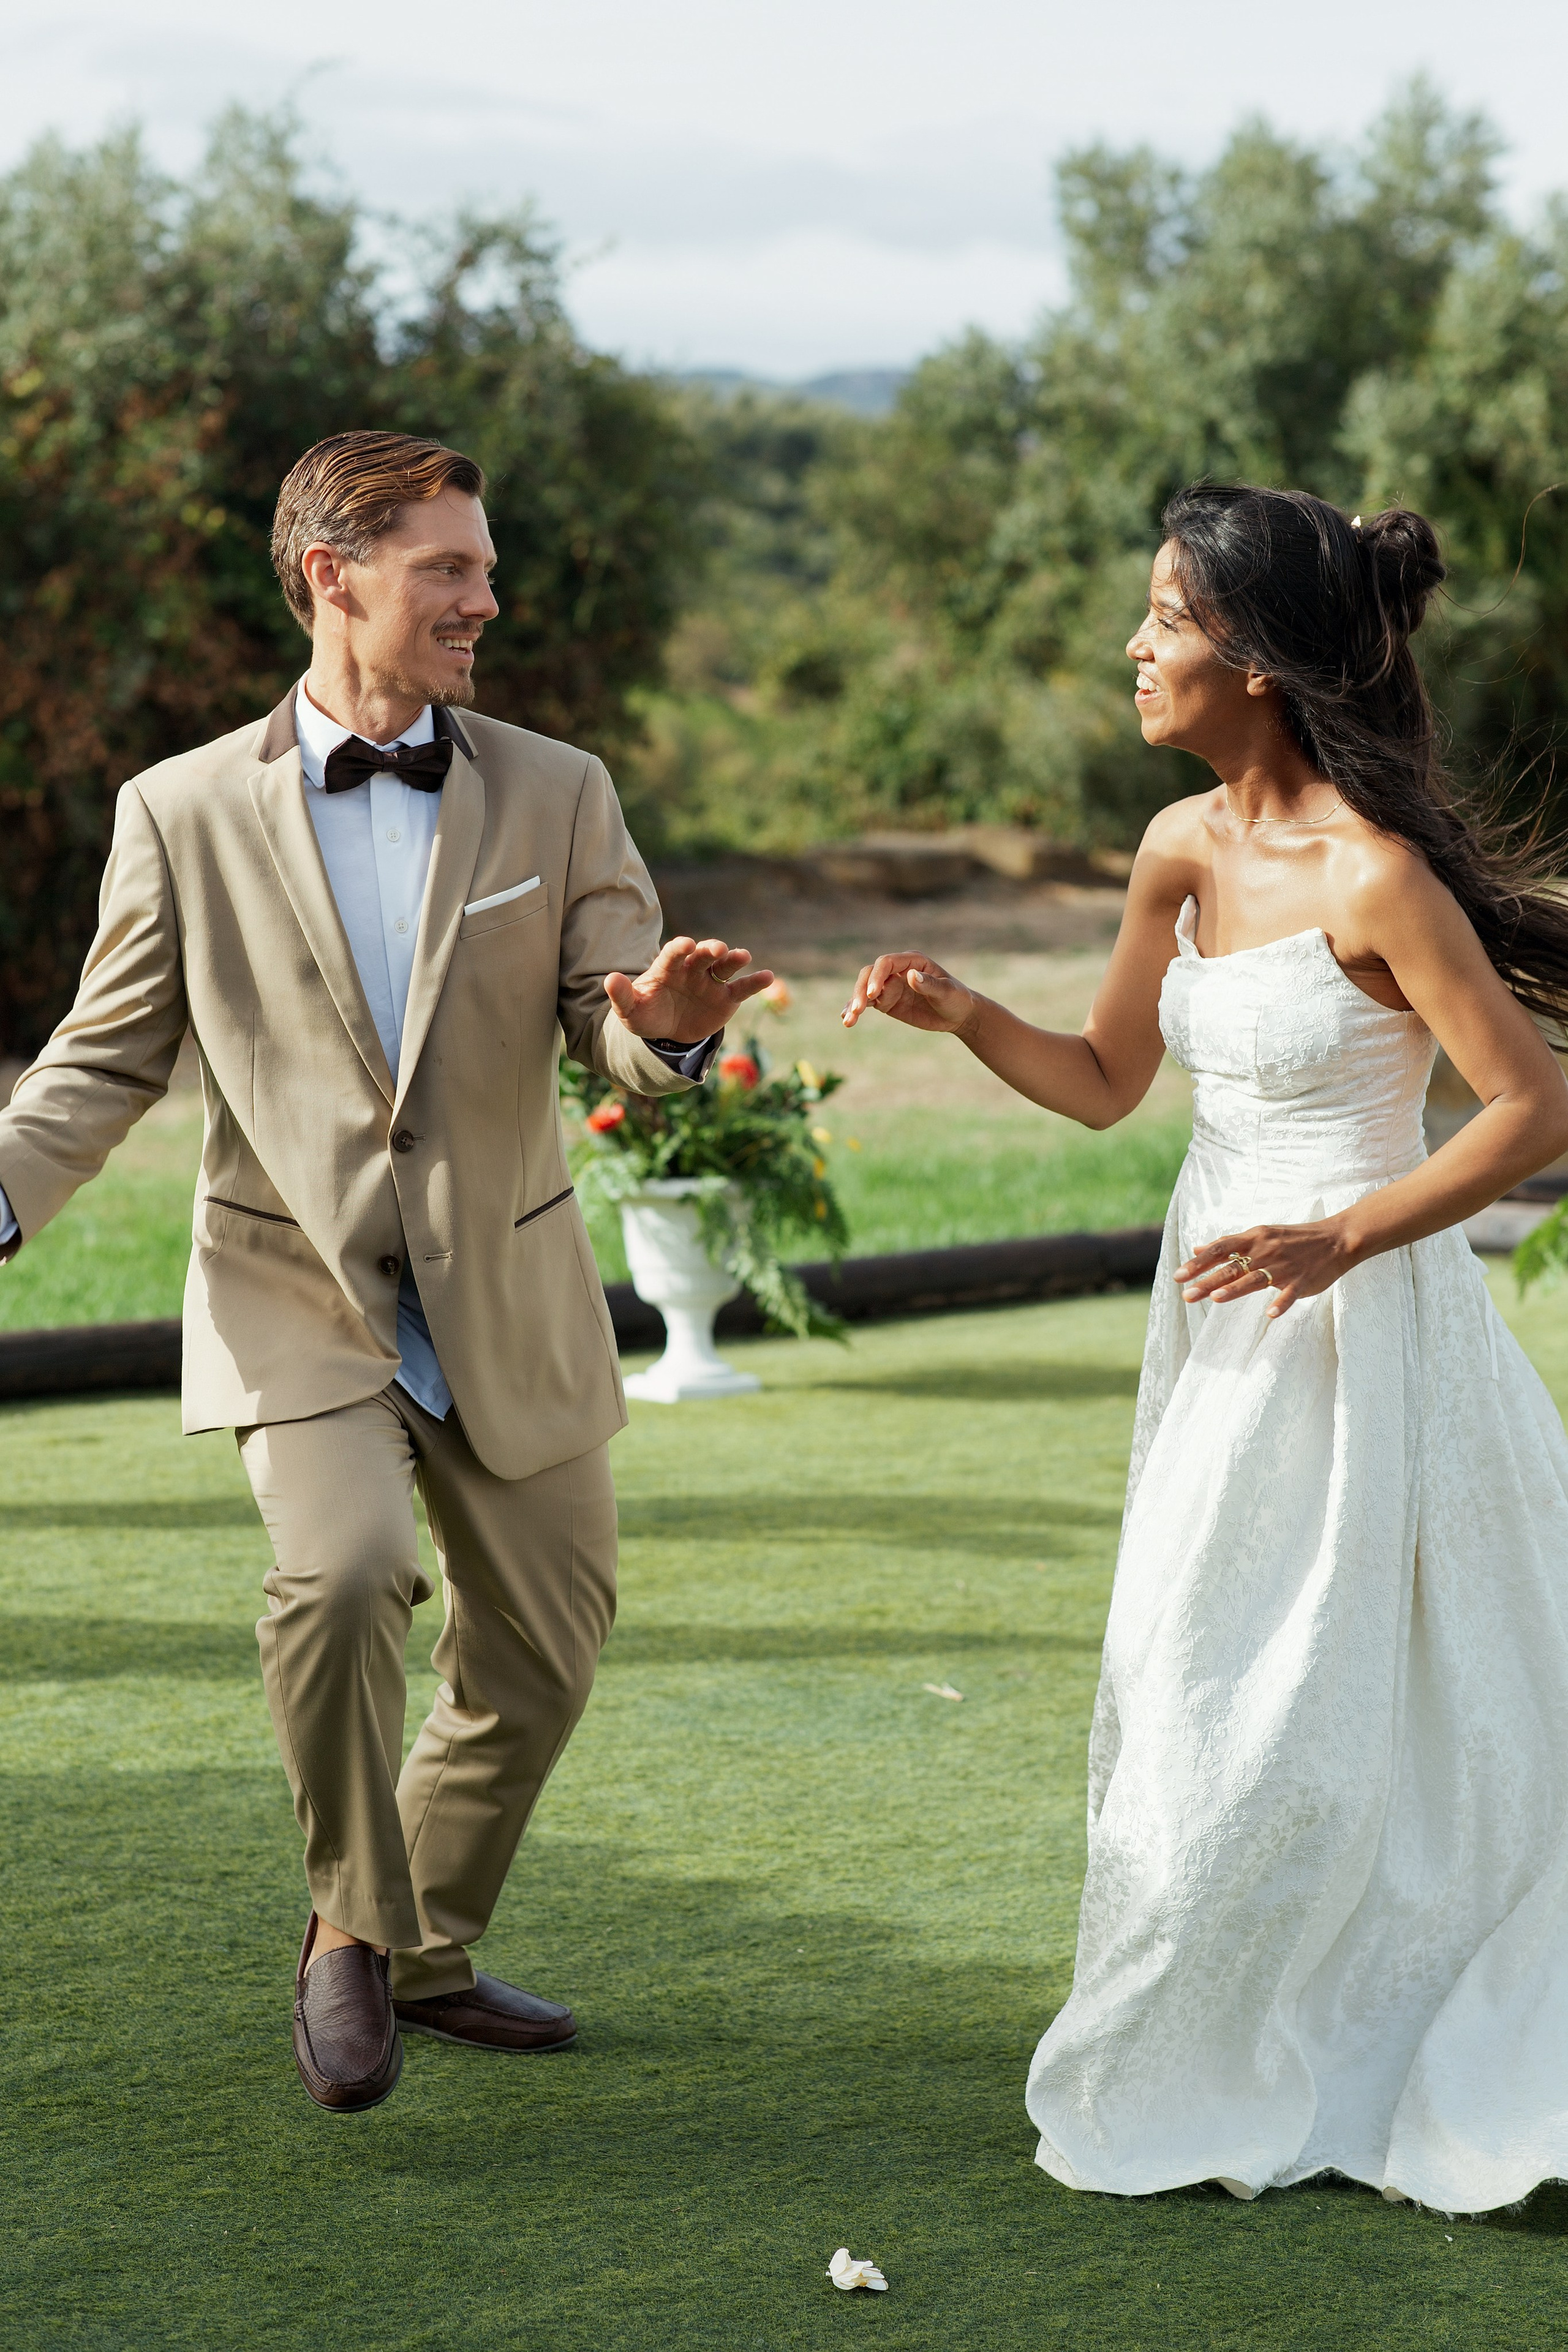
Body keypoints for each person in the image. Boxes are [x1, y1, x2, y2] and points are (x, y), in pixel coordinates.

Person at [0, 431, 771, 2113]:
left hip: (506, 1282)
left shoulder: (560, 789)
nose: (486, 600)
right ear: (330, 574)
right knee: (342, 1578)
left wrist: (668, 1035)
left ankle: (422, 1947)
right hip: (295, 1291)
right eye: (451, 568)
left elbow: (614, 1018)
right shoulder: (181, 811)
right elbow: (99, 1063)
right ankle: (351, 1930)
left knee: (547, 1647)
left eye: (485, 569)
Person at [842, 483, 1568, 2214]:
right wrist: (962, 1018)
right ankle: (1226, 2016)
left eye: (1164, 619)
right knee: (1194, 1669)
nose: (1136, 647)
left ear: (1251, 655)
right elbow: (1104, 1089)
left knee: (1351, 1684)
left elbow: (1532, 1106)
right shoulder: (1176, 846)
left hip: (1361, 1320)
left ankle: (1378, 2023)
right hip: (1218, 1316)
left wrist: (1348, 1235)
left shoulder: (1378, 877)